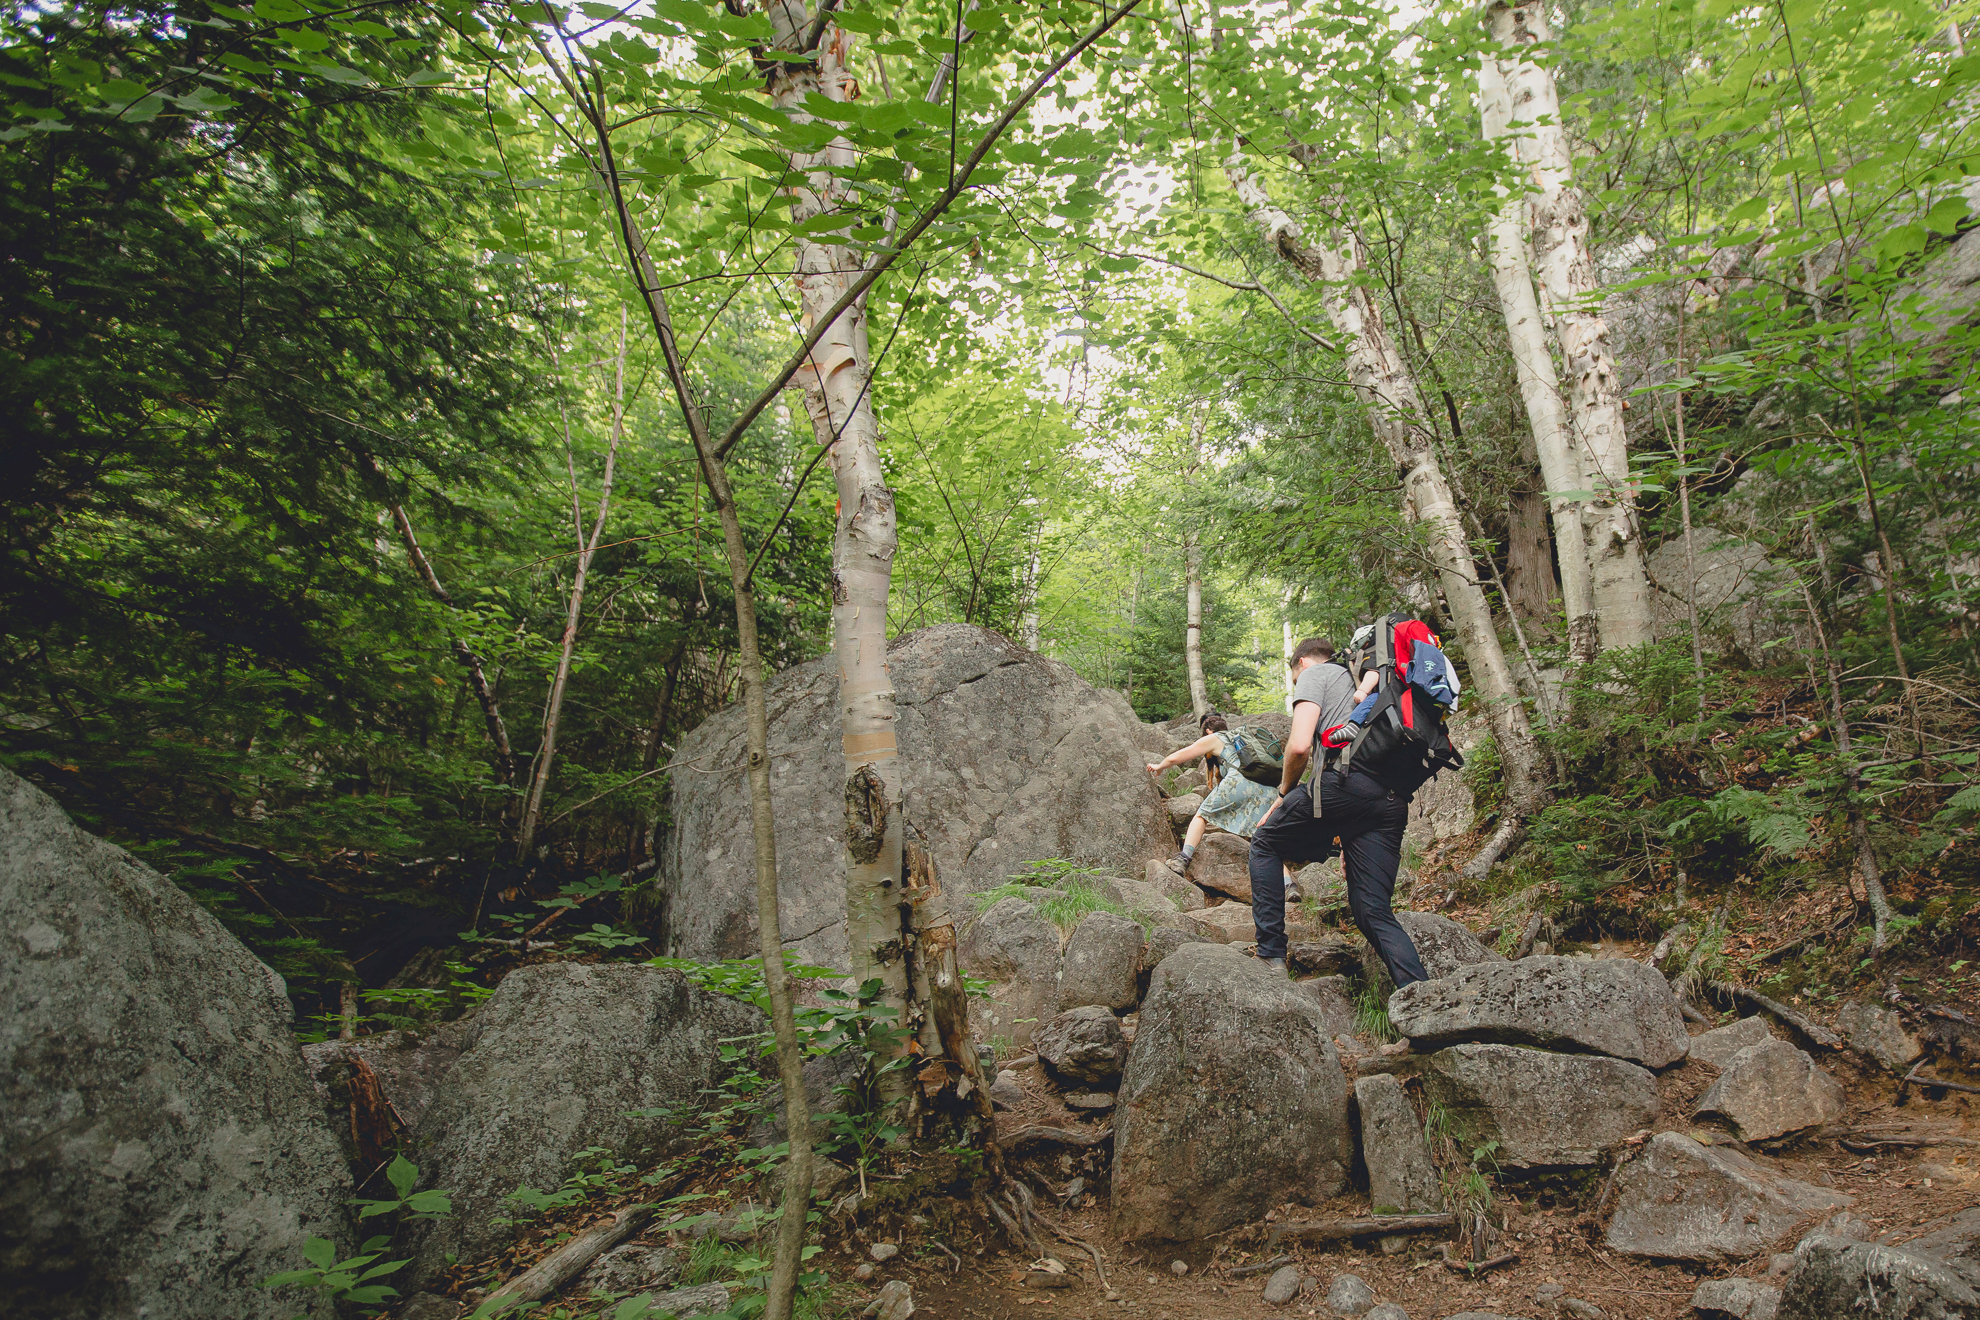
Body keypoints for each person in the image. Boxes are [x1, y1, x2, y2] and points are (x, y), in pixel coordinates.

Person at [1246, 636, 1427, 996]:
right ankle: (1424, 999)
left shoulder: (1316, 674)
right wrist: (1348, 835)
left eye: (1295, 680)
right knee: (1372, 910)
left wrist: (1282, 795)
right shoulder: (1374, 682)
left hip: (1345, 786)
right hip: (1391, 802)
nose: (1298, 686)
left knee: (1265, 843)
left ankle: (1270, 957)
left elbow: (1299, 746)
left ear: (1302, 664)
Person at [1146, 712, 1300, 896]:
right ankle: (1289, 885)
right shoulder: (1243, 738)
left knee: (1202, 815)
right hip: (1269, 791)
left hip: (1239, 784)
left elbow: (1176, 758)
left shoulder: (1216, 738)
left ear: (1209, 731)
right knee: (1264, 839)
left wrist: (1159, 766)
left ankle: (1183, 859)